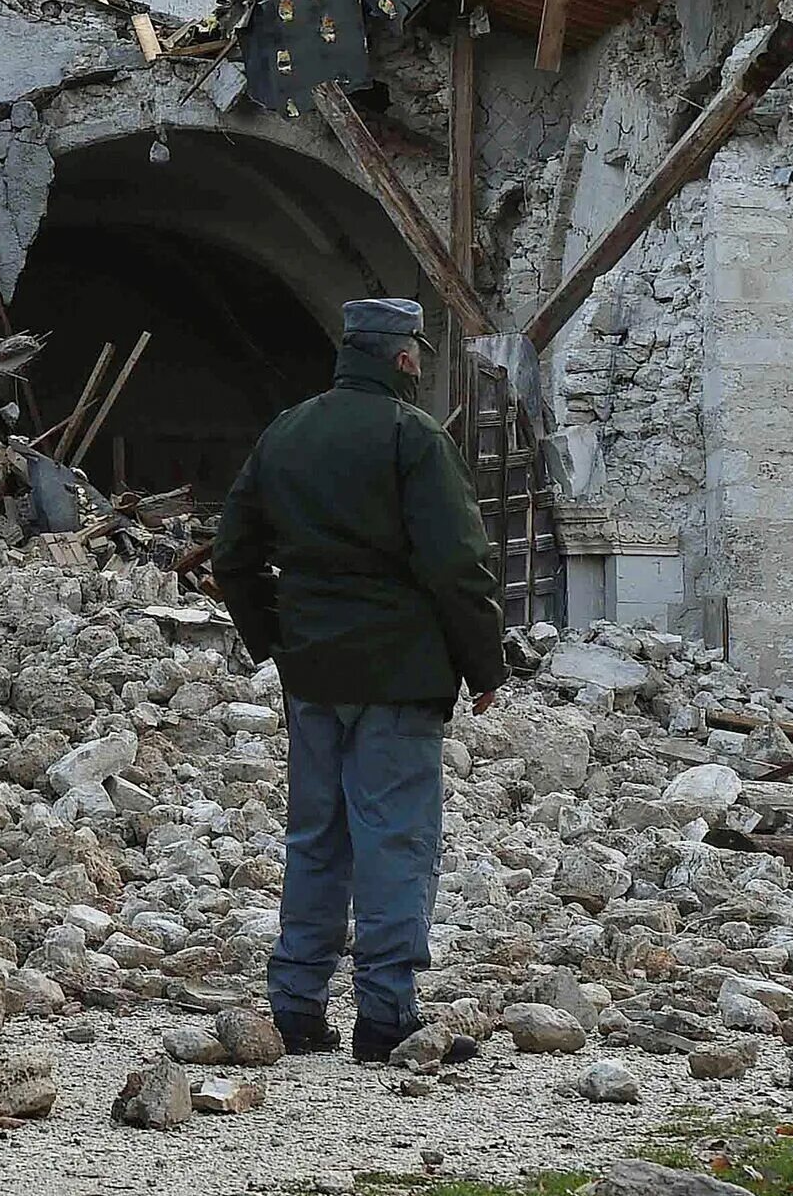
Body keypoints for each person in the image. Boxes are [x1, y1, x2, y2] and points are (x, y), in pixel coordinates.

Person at [212, 296, 506, 1063]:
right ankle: (386, 1015)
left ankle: (297, 1007)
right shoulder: (414, 436)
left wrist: (272, 636)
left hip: (312, 672)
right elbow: (456, 565)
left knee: (316, 836)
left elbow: (231, 555)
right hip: (400, 675)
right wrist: (484, 662)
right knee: (395, 839)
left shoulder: (288, 429)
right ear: (405, 357)